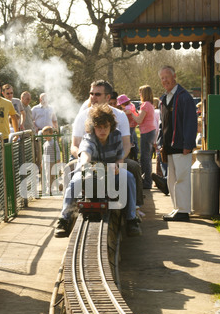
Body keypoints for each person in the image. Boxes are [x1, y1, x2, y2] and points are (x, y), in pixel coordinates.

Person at [70, 80, 141, 237]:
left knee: (133, 169)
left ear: (108, 97)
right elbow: (74, 146)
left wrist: (119, 161)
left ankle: (133, 214)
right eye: (91, 94)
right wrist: (83, 159)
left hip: (113, 157)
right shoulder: (82, 116)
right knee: (72, 174)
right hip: (89, 159)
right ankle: (66, 216)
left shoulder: (120, 116)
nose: (93, 97)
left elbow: (127, 145)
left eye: (97, 94)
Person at [55, 104, 129, 237]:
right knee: (74, 182)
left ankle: (131, 217)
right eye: (99, 127)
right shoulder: (89, 138)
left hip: (110, 171)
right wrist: (85, 165)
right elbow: (85, 153)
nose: (102, 130)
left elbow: (120, 157)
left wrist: (117, 166)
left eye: (105, 127)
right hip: (89, 171)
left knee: (128, 176)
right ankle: (64, 218)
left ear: (110, 126)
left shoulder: (116, 135)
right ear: (93, 127)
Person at [158, 65, 197, 221]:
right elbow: (162, 124)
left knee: (182, 178)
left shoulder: (184, 97)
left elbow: (190, 122)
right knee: (171, 179)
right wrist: (160, 142)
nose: (164, 81)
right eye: (162, 78)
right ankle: (177, 208)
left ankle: (183, 211)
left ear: (174, 76)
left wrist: (188, 144)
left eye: (167, 77)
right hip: (168, 147)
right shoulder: (164, 98)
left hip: (181, 146)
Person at [130, 85, 156, 189]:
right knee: (146, 157)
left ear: (144, 94)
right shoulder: (149, 104)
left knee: (145, 158)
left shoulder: (145, 105)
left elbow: (139, 120)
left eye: (140, 92)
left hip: (147, 132)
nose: (139, 94)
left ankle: (147, 182)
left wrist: (130, 113)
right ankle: (146, 180)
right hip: (150, 131)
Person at [41, 126, 61, 195]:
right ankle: (49, 190)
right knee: (48, 176)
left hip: (53, 161)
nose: (45, 137)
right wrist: (42, 161)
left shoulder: (54, 142)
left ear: (51, 134)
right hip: (47, 162)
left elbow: (58, 151)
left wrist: (58, 159)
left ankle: (56, 187)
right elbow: (44, 153)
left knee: (52, 176)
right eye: (44, 135)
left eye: (47, 135)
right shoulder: (45, 144)